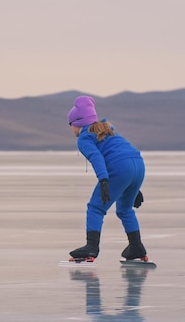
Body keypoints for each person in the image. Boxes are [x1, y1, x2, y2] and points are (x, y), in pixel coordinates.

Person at [67, 95, 149, 262]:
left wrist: (104, 180)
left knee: (95, 207)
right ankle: (136, 247)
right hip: (138, 166)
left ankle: (91, 247)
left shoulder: (84, 138)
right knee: (125, 209)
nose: (71, 129)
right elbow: (124, 152)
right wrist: (133, 186)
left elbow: (97, 158)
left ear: (77, 123)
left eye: (70, 124)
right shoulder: (107, 129)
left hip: (120, 168)